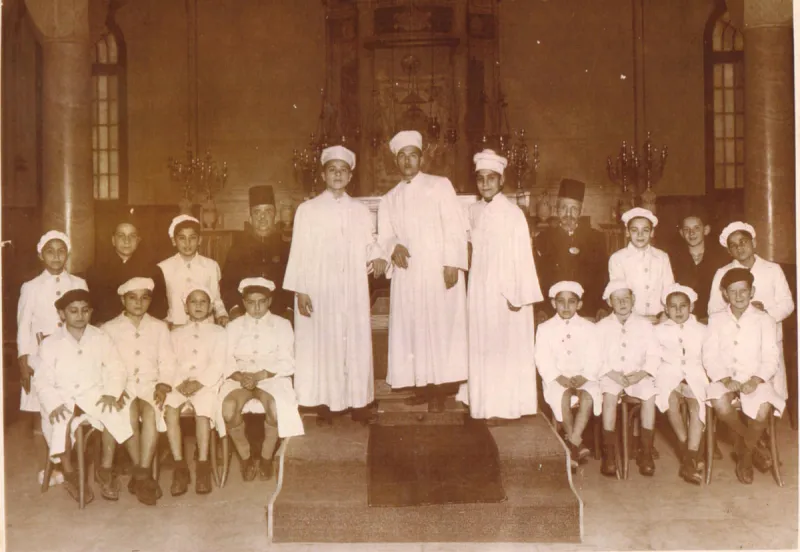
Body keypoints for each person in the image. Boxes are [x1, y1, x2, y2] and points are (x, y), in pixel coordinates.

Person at [283, 145, 387, 426]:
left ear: (350, 176)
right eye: (332, 170)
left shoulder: (360, 211)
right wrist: (300, 289)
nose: (338, 175)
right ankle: (327, 402)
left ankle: (359, 402)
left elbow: (371, 243)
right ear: (323, 174)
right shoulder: (308, 210)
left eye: (343, 170)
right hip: (320, 288)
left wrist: (377, 256)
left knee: (354, 342)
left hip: (351, 288)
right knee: (324, 343)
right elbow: (299, 252)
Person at [377, 130, 469, 411]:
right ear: (396, 161)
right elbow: (384, 235)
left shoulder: (440, 186)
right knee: (415, 330)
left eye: (412, 155)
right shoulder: (389, 198)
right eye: (402, 156)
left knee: (440, 328)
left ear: (421, 158)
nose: (407, 161)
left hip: (438, 270)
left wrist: (453, 262)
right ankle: (422, 385)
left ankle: (440, 389)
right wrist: (394, 247)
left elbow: (455, 226)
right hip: (409, 275)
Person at [456, 149, 543, 421]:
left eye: (491, 178)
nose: (485, 184)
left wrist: (518, 294)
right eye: (480, 179)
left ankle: (508, 405)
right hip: (481, 286)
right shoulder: (472, 211)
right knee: (484, 344)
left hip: (507, 289)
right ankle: (484, 403)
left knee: (505, 346)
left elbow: (523, 255)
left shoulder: (513, 213)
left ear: (501, 180)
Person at [33, 288, 134, 503]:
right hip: (62, 397)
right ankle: (70, 474)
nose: (80, 316)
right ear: (62, 314)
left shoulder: (100, 337)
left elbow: (116, 368)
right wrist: (54, 404)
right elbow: (42, 379)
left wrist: (111, 393)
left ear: (91, 312)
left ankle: (105, 470)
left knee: (112, 414)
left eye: (84, 311)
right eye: (73, 311)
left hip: (93, 393)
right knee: (61, 423)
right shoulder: (50, 343)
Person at [704, 268, 784, 484]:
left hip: (755, 379)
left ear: (752, 292)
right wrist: (724, 378)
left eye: (743, 291)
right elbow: (709, 355)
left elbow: (771, 357)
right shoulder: (717, 319)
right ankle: (754, 447)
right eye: (733, 292)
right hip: (725, 379)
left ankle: (744, 456)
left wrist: (755, 380)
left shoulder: (764, 320)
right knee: (719, 402)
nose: (738, 297)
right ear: (724, 294)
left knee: (762, 408)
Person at [102, 277, 177, 505]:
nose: (138, 303)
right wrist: (114, 388)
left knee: (152, 412)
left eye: (144, 298)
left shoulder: (159, 327)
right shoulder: (109, 329)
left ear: (150, 301)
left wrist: (163, 384)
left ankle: (141, 472)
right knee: (129, 413)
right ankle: (143, 475)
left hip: (149, 384)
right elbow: (104, 363)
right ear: (123, 299)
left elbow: (168, 361)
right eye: (132, 298)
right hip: (122, 385)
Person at [221, 277, 305, 482]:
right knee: (228, 408)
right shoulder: (234, 326)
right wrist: (240, 376)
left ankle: (267, 458)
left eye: (261, 301)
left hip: (271, 377)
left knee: (276, 409)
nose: (256, 307)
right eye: (250, 302)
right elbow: (224, 359)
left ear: (269, 301)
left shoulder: (282, 324)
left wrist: (260, 375)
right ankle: (246, 457)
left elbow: (288, 361)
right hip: (240, 377)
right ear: (243, 302)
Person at [708, 222, 794, 403]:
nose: (739, 247)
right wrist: (735, 312)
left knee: (766, 395)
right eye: (733, 245)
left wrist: (764, 314)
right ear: (729, 251)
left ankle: (763, 426)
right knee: (732, 395)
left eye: (743, 241)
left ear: (754, 243)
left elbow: (787, 303)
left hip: (765, 339)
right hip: (732, 341)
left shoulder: (773, 269)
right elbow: (713, 309)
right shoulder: (722, 272)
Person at [17, 231, 88, 432]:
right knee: (44, 409)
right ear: (41, 255)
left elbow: (85, 321)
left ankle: (68, 456)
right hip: (41, 357)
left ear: (68, 254)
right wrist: (24, 361)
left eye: (61, 251)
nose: (56, 256)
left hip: (72, 353)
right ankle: (48, 462)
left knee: (71, 408)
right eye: (50, 251)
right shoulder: (31, 287)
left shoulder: (78, 283)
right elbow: (23, 327)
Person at [163, 284, 226, 495]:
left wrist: (200, 382)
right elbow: (170, 362)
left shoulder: (219, 333)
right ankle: (180, 467)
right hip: (180, 383)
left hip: (207, 384)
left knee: (203, 412)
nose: (198, 306)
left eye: (203, 302)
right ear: (185, 307)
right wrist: (180, 382)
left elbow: (218, 363)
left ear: (210, 306)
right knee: (170, 408)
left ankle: (202, 467)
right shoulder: (176, 334)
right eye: (193, 301)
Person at [596, 280, 660, 477]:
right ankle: (609, 454)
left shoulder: (644, 325)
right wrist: (612, 374)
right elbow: (595, 356)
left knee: (649, 396)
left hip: (638, 375)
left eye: (626, 298)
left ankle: (646, 451)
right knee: (608, 398)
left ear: (633, 300)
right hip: (611, 375)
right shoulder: (601, 327)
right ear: (610, 302)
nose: (622, 303)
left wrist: (641, 373)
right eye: (617, 299)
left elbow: (654, 354)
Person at [534, 281, 601, 468]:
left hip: (584, 377)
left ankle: (573, 442)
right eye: (560, 301)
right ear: (553, 304)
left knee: (588, 396)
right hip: (557, 378)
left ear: (579, 305)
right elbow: (542, 358)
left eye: (571, 302)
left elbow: (595, 356)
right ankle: (576, 444)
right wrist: (558, 377)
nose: (565, 306)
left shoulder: (589, 328)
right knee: (562, 397)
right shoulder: (545, 328)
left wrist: (585, 376)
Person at [653, 284, 709, 485]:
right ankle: (690, 453)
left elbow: (709, 357)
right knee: (669, 401)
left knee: (696, 407)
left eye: (683, 306)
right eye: (673, 307)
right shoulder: (658, 331)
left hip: (695, 373)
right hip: (668, 373)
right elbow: (654, 357)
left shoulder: (703, 330)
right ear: (666, 310)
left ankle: (689, 457)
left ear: (691, 307)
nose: (678, 311)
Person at [534, 178, 608, 320]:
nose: (568, 213)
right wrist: (541, 309)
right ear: (557, 209)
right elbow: (538, 279)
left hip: (588, 311)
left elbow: (603, 277)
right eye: (564, 208)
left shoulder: (596, 239)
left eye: (574, 209)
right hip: (552, 312)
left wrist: (602, 307)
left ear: (581, 211)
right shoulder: (543, 239)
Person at [221, 185, 292, 321]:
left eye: (268, 211)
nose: (262, 217)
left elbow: (293, 284)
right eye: (257, 212)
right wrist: (235, 309)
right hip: (245, 315)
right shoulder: (237, 248)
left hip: (279, 316)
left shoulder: (286, 248)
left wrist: (289, 310)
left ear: (275, 216)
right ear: (250, 217)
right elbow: (227, 285)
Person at [85, 209, 168, 325]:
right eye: (121, 236)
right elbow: (92, 309)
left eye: (132, 236)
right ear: (113, 240)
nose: (126, 241)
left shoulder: (153, 271)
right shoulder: (96, 271)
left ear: (138, 240)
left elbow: (160, 310)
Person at [158, 215, 229, 328]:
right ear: (174, 241)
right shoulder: (163, 268)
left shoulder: (211, 266)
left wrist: (222, 314)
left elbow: (216, 298)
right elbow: (159, 304)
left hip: (205, 328)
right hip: (175, 327)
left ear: (199, 240)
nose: (187, 243)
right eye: (182, 238)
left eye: (192, 238)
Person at [609, 207, 675, 323]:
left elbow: (669, 289)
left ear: (652, 232)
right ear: (627, 232)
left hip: (659, 319)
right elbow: (619, 294)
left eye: (645, 230)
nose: (640, 235)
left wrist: (665, 315)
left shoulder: (662, 257)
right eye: (634, 230)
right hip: (630, 320)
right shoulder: (617, 258)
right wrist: (636, 319)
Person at [667, 207, 729, 322]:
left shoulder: (721, 258)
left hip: (715, 319)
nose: (691, 233)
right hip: (683, 320)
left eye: (696, 228)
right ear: (681, 233)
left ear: (706, 230)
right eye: (686, 229)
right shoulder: (672, 259)